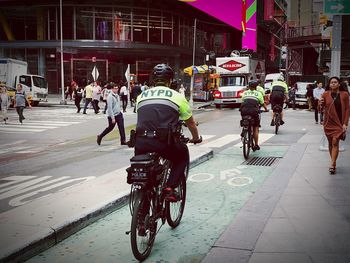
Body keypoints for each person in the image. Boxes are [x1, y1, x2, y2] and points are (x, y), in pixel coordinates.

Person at [134, 64, 202, 201]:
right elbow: (191, 123)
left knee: (146, 172)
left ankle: (143, 212)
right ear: (170, 81)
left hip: (140, 142)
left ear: (153, 80)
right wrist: (196, 138)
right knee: (182, 155)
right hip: (164, 142)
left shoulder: (141, 96)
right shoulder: (177, 96)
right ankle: (169, 188)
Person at [319, 76, 349, 174]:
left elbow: (347, 109)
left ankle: (332, 164)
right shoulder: (325, 94)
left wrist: (345, 123)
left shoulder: (344, 94)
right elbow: (320, 109)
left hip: (339, 123)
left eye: (335, 82)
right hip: (328, 123)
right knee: (330, 142)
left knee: (335, 141)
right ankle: (333, 161)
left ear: (339, 84)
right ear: (329, 84)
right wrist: (319, 104)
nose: (333, 84)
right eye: (331, 82)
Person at [240, 80, 266, 151]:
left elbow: (242, 101)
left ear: (249, 86)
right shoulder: (258, 93)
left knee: (245, 119)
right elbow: (262, 103)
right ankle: (256, 145)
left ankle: (244, 130)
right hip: (254, 111)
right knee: (255, 128)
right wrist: (266, 109)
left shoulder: (245, 93)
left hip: (244, 110)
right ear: (256, 87)